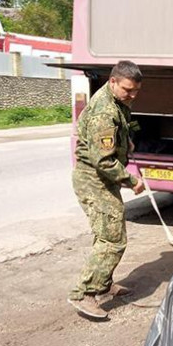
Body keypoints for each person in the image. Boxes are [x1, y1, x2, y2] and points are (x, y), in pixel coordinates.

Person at [68, 61, 145, 319]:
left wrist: (127, 142)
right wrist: (132, 180)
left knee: (107, 232)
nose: (132, 95)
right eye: (127, 90)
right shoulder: (104, 111)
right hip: (94, 179)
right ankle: (85, 294)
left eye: (135, 91)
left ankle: (104, 284)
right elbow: (103, 160)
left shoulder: (116, 102)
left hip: (101, 178)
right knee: (112, 239)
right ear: (113, 81)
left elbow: (115, 135)